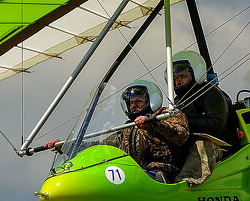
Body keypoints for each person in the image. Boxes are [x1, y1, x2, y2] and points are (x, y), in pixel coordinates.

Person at [47, 79, 189, 183]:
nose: (134, 106)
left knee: (152, 175)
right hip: (136, 173)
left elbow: (181, 135)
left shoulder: (167, 114)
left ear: (150, 99)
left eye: (138, 101)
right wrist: (66, 146)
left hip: (163, 171)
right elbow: (101, 145)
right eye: (131, 103)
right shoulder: (128, 129)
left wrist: (152, 124)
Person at [170, 51, 236, 184]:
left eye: (183, 76)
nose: (178, 80)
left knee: (201, 146)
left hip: (217, 147)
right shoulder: (178, 101)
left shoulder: (210, 93)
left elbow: (217, 124)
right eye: (175, 77)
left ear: (196, 74)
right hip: (188, 146)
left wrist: (184, 122)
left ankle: (184, 182)